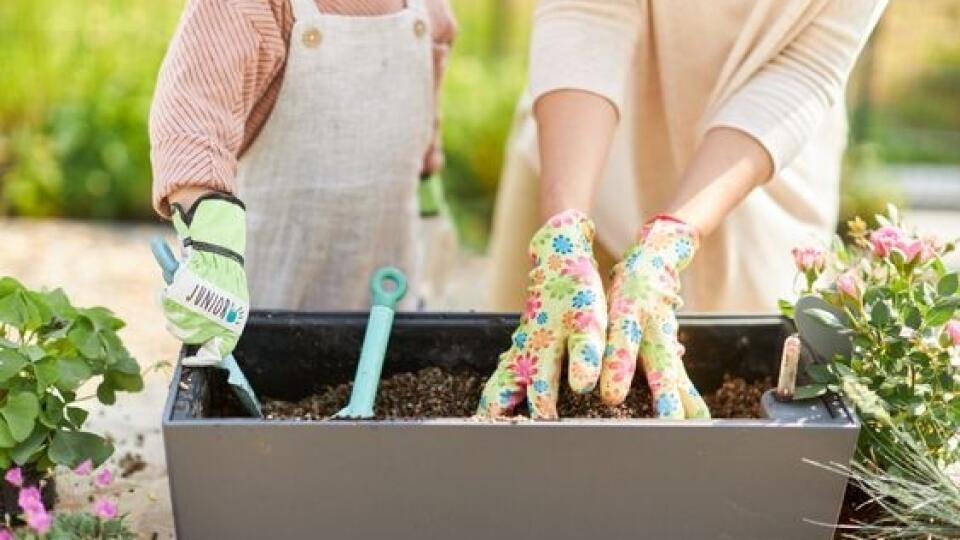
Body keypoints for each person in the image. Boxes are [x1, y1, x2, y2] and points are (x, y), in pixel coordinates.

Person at [479, 0, 887, 419]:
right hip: (582, 135)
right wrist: (562, 230)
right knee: (514, 379)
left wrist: (673, 236)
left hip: (748, 169)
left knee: (731, 410)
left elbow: (804, 65)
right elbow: (586, 11)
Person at [149, 0, 455, 364]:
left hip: (385, 297)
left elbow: (421, 125)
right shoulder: (246, 8)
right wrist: (211, 245)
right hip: (260, 310)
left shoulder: (428, 10)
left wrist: (428, 192)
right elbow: (195, 122)